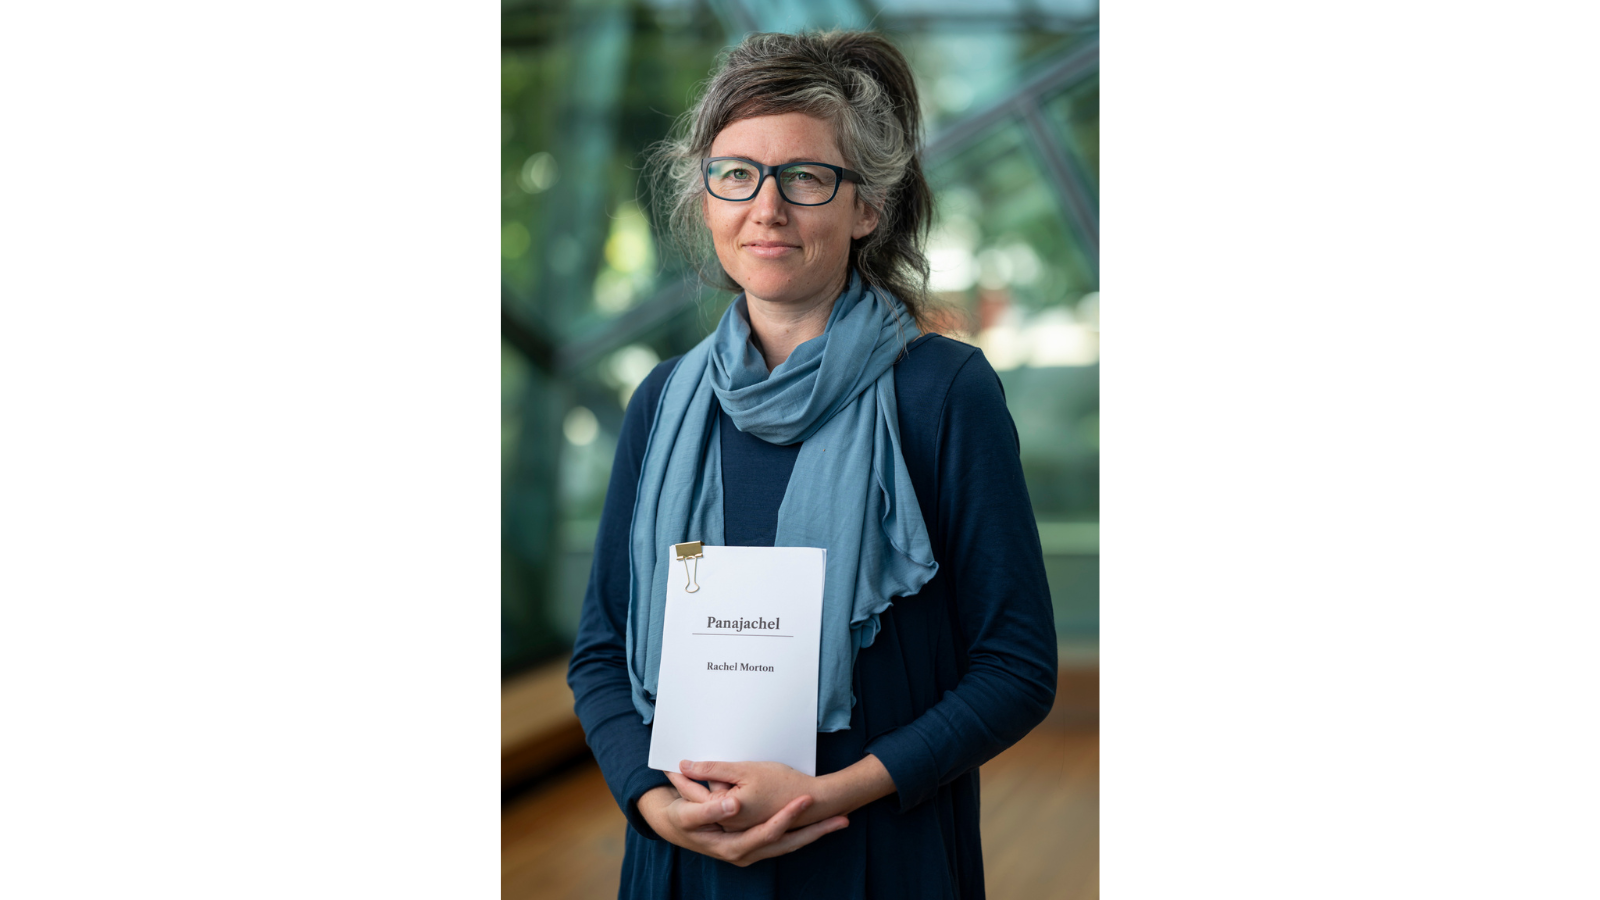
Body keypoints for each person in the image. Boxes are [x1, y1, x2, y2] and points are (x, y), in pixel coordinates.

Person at [567, 30, 1058, 899]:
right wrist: (652, 804)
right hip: (685, 864)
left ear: (867, 207)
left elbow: (1016, 668)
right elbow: (602, 654)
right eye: (736, 174)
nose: (767, 208)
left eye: (805, 177)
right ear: (706, 197)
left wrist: (828, 796)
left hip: (875, 857)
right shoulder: (662, 401)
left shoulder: (944, 394)